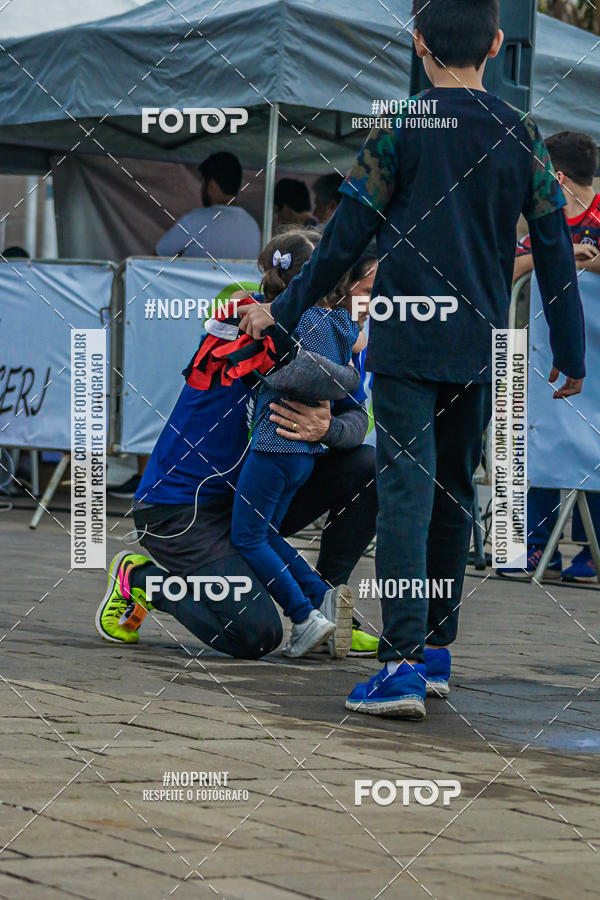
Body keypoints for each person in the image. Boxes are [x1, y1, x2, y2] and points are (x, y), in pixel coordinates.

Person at [240, 0, 586, 719]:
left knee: (407, 493)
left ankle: (396, 666)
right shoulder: (521, 133)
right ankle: (433, 654)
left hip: (404, 340)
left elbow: (343, 238)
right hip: (477, 343)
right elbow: (554, 244)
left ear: (419, 43)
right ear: (496, 43)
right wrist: (573, 348)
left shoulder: (404, 125)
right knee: (456, 491)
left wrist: (284, 306)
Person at [94, 249, 378, 659]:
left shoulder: (320, 334)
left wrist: (327, 428)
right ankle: (140, 580)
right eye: (366, 292)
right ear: (326, 290)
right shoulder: (249, 325)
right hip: (181, 512)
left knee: (366, 466)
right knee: (255, 634)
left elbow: (358, 420)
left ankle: (328, 606)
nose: (372, 305)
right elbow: (315, 373)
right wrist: (351, 362)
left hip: (246, 495)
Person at [231, 232, 366, 659]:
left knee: (247, 536)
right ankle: (320, 595)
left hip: (273, 445)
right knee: (267, 533)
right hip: (305, 456)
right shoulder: (341, 324)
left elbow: (259, 358)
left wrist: (268, 312)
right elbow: (354, 353)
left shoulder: (293, 322)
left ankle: (304, 616)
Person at [506, 131, 600, 582]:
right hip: (543, 356)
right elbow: (509, 266)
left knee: (594, 443)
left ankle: (589, 549)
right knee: (532, 434)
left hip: (594, 363)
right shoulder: (546, 220)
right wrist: (559, 256)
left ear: (557, 176)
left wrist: (585, 261)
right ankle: (532, 544)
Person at [156, 151, 260, 259]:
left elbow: (156, 257)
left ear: (212, 186)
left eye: (202, 183)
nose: (201, 190)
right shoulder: (252, 225)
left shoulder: (196, 219)